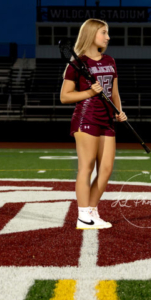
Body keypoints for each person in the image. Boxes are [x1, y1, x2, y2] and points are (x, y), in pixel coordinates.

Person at [60, 18, 127, 229]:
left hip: (107, 120)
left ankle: (92, 211)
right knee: (86, 167)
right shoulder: (78, 63)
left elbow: (114, 92)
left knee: (106, 169)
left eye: (107, 33)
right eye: (104, 33)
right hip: (86, 117)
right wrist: (89, 92)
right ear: (91, 34)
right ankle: (82, 215)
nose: (108, 37)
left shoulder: (110, 60)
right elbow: (64, 97)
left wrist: (120, 111)